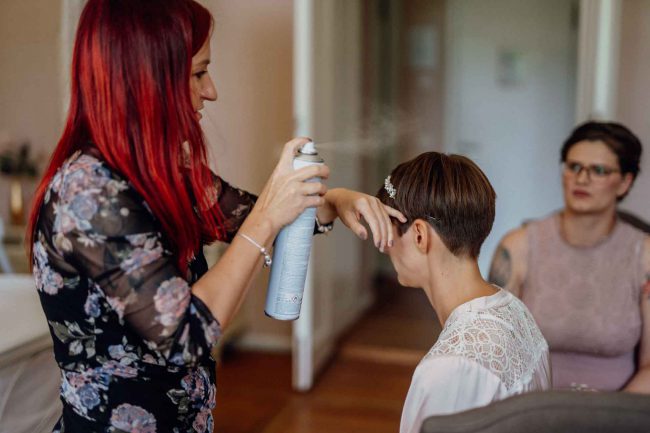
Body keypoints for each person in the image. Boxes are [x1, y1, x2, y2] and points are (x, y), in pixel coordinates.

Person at [26, 1, 405, 432]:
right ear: (147, 80)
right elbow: (183, 333)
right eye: (198, 73)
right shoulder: (88, 193)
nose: (211, 91)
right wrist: (267, 218)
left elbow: (253, 216)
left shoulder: (163, 172)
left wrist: (336, 200)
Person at [376, 152, 550, 433]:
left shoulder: (452, 367)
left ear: (419, 235)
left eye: (390, 230)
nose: (384, 245)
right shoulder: (515, 310)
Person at [489, 121, 650, 392]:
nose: (582, 178)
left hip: (617, 411)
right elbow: (496, 350)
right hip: (530, 407)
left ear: (625, 182)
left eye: (598, 170)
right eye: (574, 166)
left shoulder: (644, 255)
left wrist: (608, 413)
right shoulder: (518, 246)